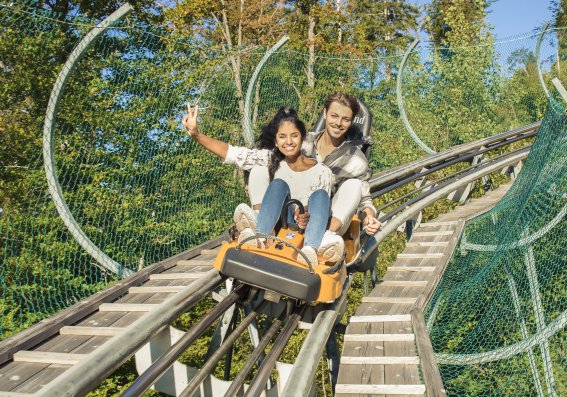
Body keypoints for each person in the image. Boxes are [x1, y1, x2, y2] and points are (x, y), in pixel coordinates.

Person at [184, 105, 340, 266]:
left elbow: (321, 205)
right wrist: (196, 135)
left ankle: (310, 251)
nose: (289, 142)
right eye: (282, 137)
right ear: (276, 142)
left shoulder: (322, 170)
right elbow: (232, 153)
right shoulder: (271, 159)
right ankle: (260, 235)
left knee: (321, 195)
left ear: (302, 139)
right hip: (281, 223)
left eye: (294, 136)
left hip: (305, 228)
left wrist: (305, 213)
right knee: (277, 183)